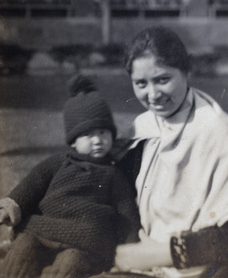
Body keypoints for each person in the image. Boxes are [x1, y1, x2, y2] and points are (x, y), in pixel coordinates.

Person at [93, 26, 228, 278]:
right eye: (141, 83)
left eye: (163, 79)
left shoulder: (218, 131)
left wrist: (159, 254)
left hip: (202, 269)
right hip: (141, 263)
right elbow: (117, 196)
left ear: (186, 72)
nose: (153, 95)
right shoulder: (142, 127)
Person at [0, 75, 140, 278]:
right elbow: (31, 185)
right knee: (22, 248)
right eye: (88, 134)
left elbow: (127, 213)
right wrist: (11, 204)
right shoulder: (59, 162)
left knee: (71, 263)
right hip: (44, 228)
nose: (98, 140)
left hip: (84, 239)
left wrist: (131, 247)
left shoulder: (113, 174)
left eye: (103, 132)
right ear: (73, 141)